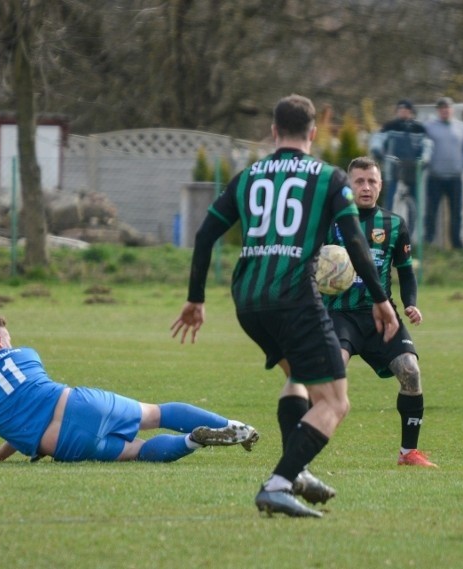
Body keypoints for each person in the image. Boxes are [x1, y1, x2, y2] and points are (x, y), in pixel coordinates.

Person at [171, 94, 398, 518]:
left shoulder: (248, 177)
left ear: (274, 132)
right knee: (335, 402)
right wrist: (382, 299)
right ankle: (277, 484)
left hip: (249, 301)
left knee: (299, 380)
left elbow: (203, 237)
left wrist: (196, 299)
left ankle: (300, 473)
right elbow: (354, 242)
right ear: (314, 134)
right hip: (295, 299)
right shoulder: (330, 179)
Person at [0, 315, 259, 463]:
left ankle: (191, 441)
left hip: (60, 443)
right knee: (157, 413)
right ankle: (231, 424)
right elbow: (28, 397)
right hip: (80, 401)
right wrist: (2, 450)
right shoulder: (25, 353)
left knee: (134, 452)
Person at [320, 156, 436, 468]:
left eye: (372, 181)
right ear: (348, 185)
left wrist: (410, 302)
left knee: (410, 371)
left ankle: (408, 453)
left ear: (381, 185)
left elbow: (406, 272)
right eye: (359, 181)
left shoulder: (395, 224)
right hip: (338, 316)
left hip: (380, 317)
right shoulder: (330, 221)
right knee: (331, 374)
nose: (366, 187)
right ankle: (305, 444)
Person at [423, 97, 463, 249]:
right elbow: (423, 145)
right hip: (435, 177)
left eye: (447, 107)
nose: (445, 110)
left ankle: (456, 242)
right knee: (431, 211)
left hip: (455, 178)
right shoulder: (429, 127)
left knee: (456, 212)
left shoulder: (462, 127)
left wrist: (461, 164)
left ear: (452, 109)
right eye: (442, 108)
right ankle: (429, 240)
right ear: (438, 110)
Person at [371, 99, 429, 216]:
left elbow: (427, 145)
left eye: (406, 110)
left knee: (415, 201)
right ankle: (387, 223)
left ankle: (413, 229)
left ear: (411, 112)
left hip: (412, 168)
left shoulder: (419, 128)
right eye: (400, 110)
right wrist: (377, 149)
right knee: (390, 197)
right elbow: (378, 138)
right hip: (394, 166)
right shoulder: (390, 126)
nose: (403, 112)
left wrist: (425, 158)